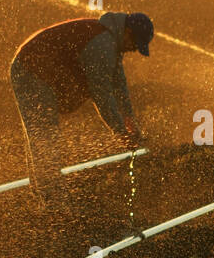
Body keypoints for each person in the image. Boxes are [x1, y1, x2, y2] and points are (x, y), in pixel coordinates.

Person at [9, 11, 153, 210]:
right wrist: (120, 133)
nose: (133, 50)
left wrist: (129, 119)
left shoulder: (111, 43)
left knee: (43, 135)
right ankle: (53, 202)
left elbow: (119, 85)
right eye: (135, 44)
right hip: (31, 70)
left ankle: (45, 197)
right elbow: (102, 95)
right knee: (44, 135)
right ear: (127, 32)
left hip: (37, 71)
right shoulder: (102, 44)